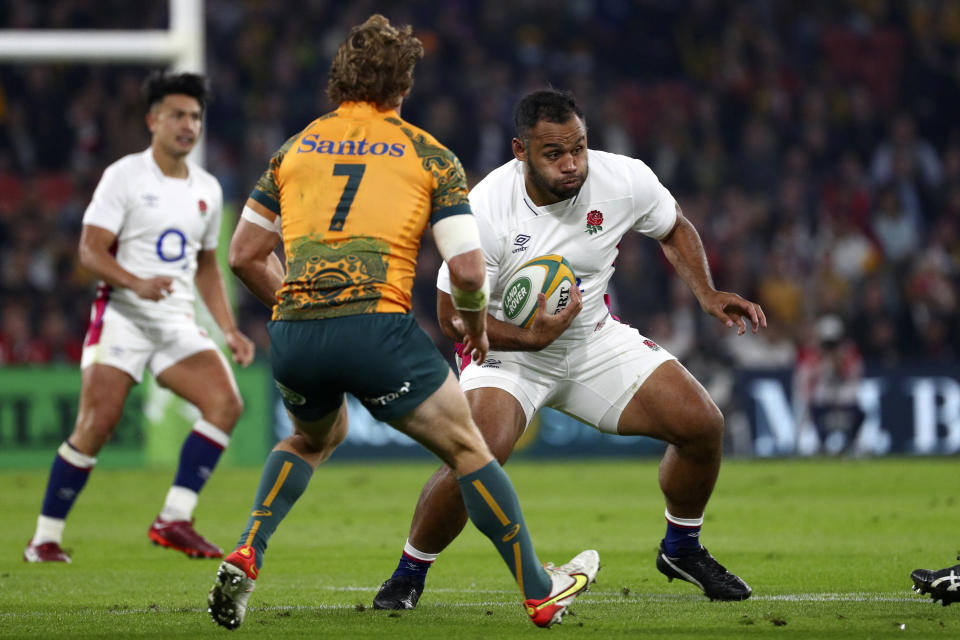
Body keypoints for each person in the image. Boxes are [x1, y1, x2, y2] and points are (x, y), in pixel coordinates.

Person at [208, 15, 598, 630]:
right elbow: (468, 271)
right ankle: (539, 591)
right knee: (470, 449)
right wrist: (473, 326)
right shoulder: (429, 155)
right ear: (403, 84)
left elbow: (243, 255)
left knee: (312, 438)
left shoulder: (296, 147)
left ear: (341, 78)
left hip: (295, 331)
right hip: (378, 331)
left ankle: (248, 549)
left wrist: (301, 306)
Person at [374, 89, 766, 610]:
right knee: (480, 453)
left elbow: (674, 227)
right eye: (553, 154)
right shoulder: (484, 209)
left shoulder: (623, 179)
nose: (572, 164)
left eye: (578, 148)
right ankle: (408, 573)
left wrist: (708, 293)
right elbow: (451, 319)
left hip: (591, 339)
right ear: (520, 151)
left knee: (703, 425)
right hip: (503, 351)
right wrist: (530, 337)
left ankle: (681, 548)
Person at [23, 72, 255, 564]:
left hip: (175, 322)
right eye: (176, 114)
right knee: (96, 425)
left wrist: (228, 329)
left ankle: (174, 517)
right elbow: (89, 250)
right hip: (123, 316)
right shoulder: (124, 176)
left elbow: (208, 265)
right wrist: (136, 282)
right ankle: (44, 538)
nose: (187, 125)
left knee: (226, 404)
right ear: (152, 120)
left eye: (194, 116)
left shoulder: (209, 190)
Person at [793, 314, 865, 455]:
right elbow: (802, 382)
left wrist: (839, 363)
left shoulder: (849, 353)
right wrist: (821, 363)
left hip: (843, 398)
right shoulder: (810, 354)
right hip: (818, 401)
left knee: (857, 401)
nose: (830, 347)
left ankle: (853, 443)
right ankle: (810, 445)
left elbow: (856, 377)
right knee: (809, 403)